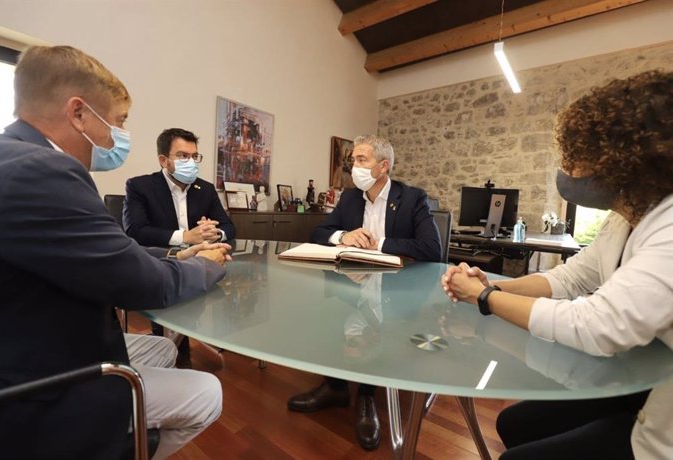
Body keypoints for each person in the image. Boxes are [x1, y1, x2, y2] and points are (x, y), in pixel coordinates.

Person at [0, 45, 231, 460]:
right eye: (118, 122)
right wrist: (207, 265)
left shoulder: (1, 153)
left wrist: (173, 257)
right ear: (78, 113)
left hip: (19, 337)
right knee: (207, 392)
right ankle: (116, 448)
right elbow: (142, 285)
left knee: (164, 347)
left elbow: (110, 251)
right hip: (32, 384)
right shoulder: (44, 172)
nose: (118, 136)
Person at [442, 70, 673, 460]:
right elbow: (569, 277)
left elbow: (596, 325)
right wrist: (495, 285)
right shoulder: (623, 219)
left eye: (576, 158)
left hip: (660, 411)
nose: (567, 170)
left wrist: (484, 298)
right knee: (513, 424)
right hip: (635, 376)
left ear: (621, 161)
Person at [287, 134, 442, 450]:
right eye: (353, 160)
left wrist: (378, 243)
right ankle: (335, 386)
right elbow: (319, 232)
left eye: (361, 160)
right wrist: (344, 236)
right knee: (322, 317)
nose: (353, 167)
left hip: (397, 291)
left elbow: (432, 249)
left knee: (375, 329)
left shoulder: (412, 198)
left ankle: (367, 396)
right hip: (352, 284)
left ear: (383, 167)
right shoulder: (349, 198)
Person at [123, 127, 236, 248]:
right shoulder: (139, 186)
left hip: (200, 257)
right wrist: (185, 237)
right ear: (163, 161)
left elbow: (229, 227)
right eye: (183, 156)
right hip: (160, 259)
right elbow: (136, 231)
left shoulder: (206, 188)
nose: (191, 162)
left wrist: (214, 233)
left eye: (194, 156)